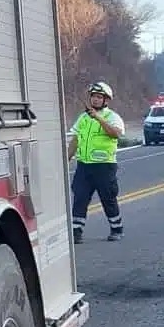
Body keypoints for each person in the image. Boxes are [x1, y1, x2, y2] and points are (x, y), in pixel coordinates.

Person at [67, 81, 125, 244]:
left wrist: (98, 118)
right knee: (80, 197)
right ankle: (76, 232)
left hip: (104, 166)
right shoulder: (83, 118)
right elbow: (75, 139)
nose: (96, 100)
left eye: (99, 97)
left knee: (108, 198)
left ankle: (116, 228)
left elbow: (115, 134)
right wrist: (66, 158)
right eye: (93, 97)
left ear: (106, 100)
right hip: (84, 166)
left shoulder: (112, 117)